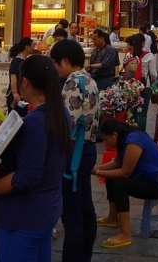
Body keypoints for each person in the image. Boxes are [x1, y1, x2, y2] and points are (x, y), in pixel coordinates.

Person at [0, 55, 72, 262]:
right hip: (46, 209)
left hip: (23, 216)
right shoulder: (60, 112)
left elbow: (26, 176)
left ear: (25, 82)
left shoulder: (35, 121)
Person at [51, 39, 99, 262]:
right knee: (86, 208)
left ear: (66, 60)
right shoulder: (89, 80)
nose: (55, 67)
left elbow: (68, 121)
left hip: (74, 154)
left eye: (55, 62)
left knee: (72, 217)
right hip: (88, 149)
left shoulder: (72, 82)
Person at [92, 119, 158, 249]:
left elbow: (125, 172)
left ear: (115, 135)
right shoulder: (124, 139)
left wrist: (98, 172)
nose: (106, 143)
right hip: (147, 178)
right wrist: (97, 167)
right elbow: (117, 162)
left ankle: (125, 233)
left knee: (119, 184)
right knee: (112, 177)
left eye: (106, 139)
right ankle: (113, 217)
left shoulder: (134, 140)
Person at [123, 33, 157, 132]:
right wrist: (154, 85)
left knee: (132, 112)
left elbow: (125, 69)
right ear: (143, 43)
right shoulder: (149, 55)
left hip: (130, 87)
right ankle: (141, 134)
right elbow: (153, 74)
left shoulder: (129, 54)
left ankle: (131, 133)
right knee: (142, 112)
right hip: (144, 86)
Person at [7, 38, 35, 112]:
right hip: (15, 95)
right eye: (32, 46)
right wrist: (15, 93)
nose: (34, 48)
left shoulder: (24, 60)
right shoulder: (17, 60)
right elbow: (13, 77)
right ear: (27, 47)